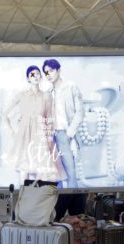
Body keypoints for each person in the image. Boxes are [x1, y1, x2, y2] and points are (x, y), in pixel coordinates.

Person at [3, 65, 66, 183]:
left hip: (40, 134)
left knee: (42, 169)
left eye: (37, 73)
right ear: (28, 78)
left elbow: (50, 117)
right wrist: (12, 131)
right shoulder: (21, 95)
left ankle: (39, 197)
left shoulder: (46, 96)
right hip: (24, 135)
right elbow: (5, 113)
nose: (35, 76)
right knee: (24, 168)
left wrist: (50, 135)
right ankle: (22, 196)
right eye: (32, 74)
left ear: (41, 77)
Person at [43, 59, 84, 188]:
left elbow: (80, 112)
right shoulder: (49, 92)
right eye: (46, 72)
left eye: (51, 70)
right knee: (56, 174)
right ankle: (59, 205)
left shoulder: (70, 87)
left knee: (70, 172)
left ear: (59, 70)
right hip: (52, 136)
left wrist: (70, 134)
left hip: (64, 134)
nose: (48, 74)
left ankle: (74, 207)